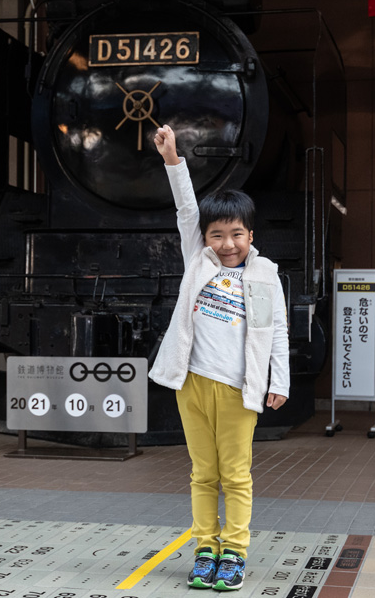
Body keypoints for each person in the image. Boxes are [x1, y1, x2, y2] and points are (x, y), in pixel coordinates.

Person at [149, 124, 290, 591]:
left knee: (236, 475)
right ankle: (205, 548)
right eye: (217, 235)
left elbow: (277, 333)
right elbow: (186, 207)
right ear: (204, 237)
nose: (227, 244)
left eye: (236, 234)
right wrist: (173, 159)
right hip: (192, 383)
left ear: (251, 234)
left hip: (237, 389)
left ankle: (235, 551)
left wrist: (280, 382)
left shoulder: (267, 277)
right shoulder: (199, 260)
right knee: (202, 474)